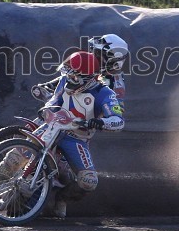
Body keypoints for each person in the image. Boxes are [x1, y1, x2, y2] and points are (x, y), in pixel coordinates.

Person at [47, 51, 125, 218]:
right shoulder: (63, 80)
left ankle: (61, 198)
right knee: (20, 151)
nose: (69, 79)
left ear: (87, 78)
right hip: (51, 127)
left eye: (73, 76)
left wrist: (101, 122)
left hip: (75, 138)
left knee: (89, 181)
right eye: (67, 73)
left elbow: (119, 120)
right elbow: (53, 100)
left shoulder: (106, 93)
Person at [32, 34, 129, 107]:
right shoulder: (90, 66)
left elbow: (117, 105)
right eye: (93, 51)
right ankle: (50, 87)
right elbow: (68, 75)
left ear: (113, 59)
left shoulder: (115, 80)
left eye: (98, 54)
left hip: (86, 112)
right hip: (68, 103)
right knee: (75, 75)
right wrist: (50, 86)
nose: (93, 56)